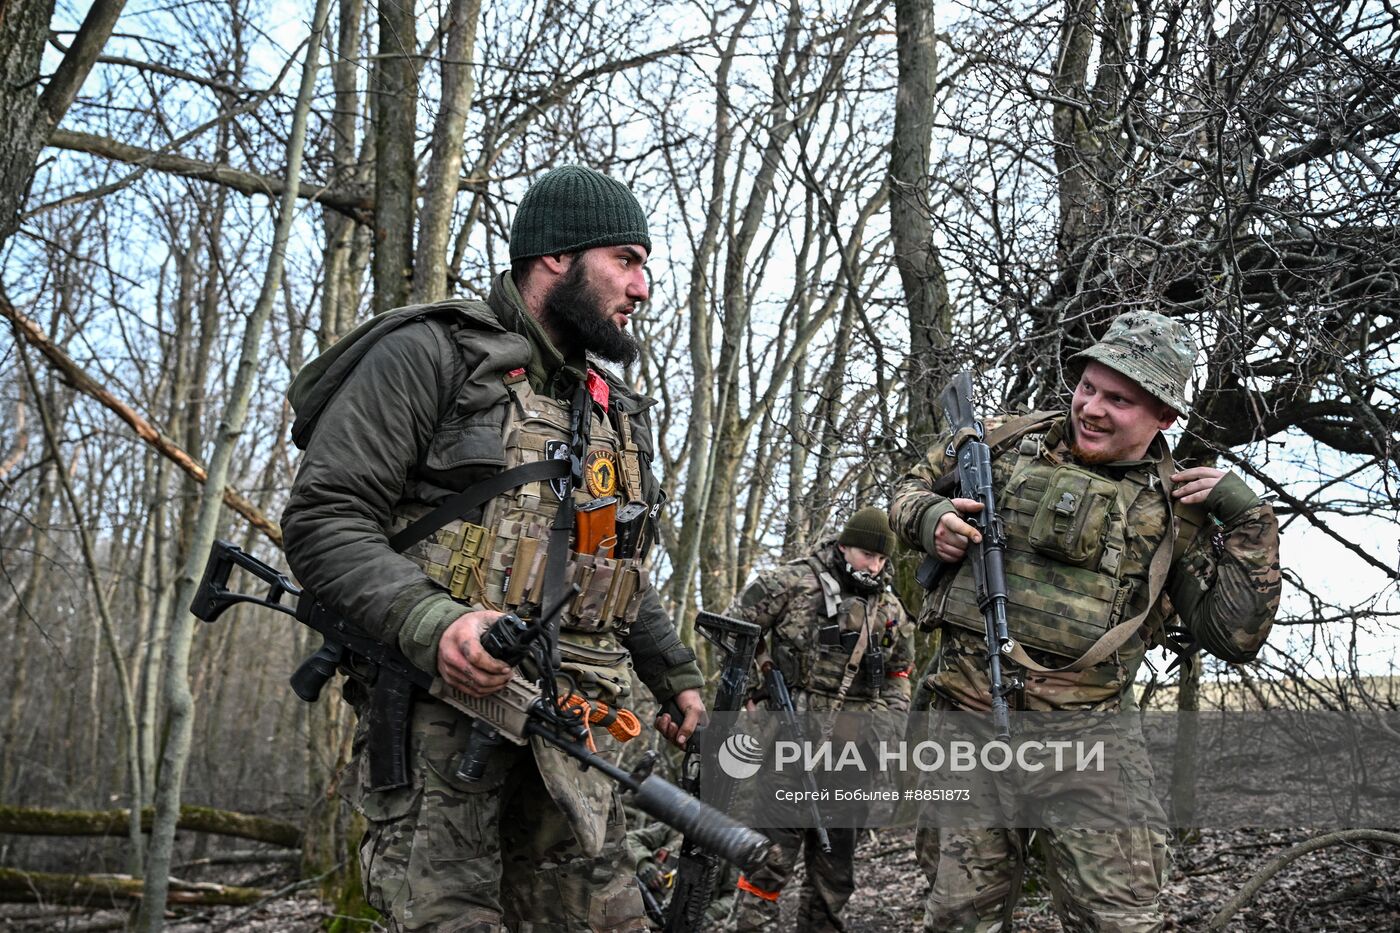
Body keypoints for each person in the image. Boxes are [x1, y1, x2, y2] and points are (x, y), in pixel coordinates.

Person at [281, 165, 706, 932]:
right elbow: (324, 518)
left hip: (575, 736)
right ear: (555, 256)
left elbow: (606, 569)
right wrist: (432, 621)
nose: (642, 288)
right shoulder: (429, 355)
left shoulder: (605, 412)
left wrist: (672, 673)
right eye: (627, 259)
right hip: (442, 732)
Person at [890, 310, 1282, 932]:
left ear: (1164, 417)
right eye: (1088, 387)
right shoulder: (996, 443)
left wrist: (1251, 521)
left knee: (1122, 922)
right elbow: (904, 491)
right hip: (965, 733)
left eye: (1119, 399)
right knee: (957, 919)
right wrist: (927, 517)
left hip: (1090, 745)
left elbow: (1233, 636)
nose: (1092, 408)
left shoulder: (1175, 514)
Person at [723, 508, 914, 932]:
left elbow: (901, 674)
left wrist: (887, 727)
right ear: (844, 545)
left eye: (883, 560)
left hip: (852, 756)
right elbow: (732, 627)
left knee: (835, 873)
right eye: (868, 555)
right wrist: (759, 685)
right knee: (768, 861)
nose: (875, 566)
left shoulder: (890, 612)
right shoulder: (791, 583)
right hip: (789, 745)